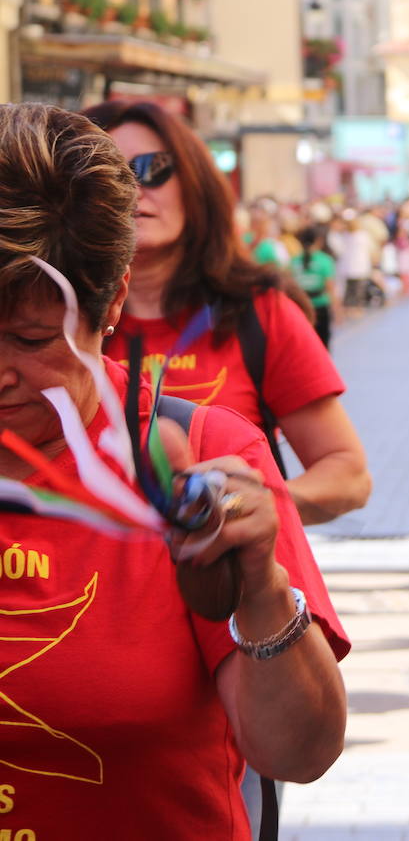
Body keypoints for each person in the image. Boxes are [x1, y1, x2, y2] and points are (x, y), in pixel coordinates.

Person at [0, 102, 348, 836]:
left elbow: (299, 750)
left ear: (114, 301)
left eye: (30, 339)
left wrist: (260, 586)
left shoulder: (210, 456)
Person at [84, 100, 370, 526]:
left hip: (232, 585)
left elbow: (348, 475)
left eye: (151, 168)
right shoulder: (47, 322)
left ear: (194, 182)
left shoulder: (259, 313)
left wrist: (235, 508)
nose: (132, 189)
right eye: (106, 175)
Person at [291, 224, 339, 350]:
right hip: (320, 306)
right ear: (318, 240)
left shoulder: (294, 262)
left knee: (303, 347)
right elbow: (330, 287)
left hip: (300, 307)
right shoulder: (325, 260)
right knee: (322, 347)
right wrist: (337, 309)